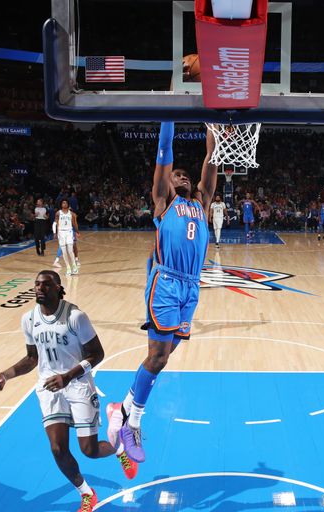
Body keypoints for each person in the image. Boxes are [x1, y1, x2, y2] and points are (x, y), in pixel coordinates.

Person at [0, 271, 136, 512]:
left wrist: (68, 376)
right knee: (57, 448)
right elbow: (32, 359)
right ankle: (87, 493)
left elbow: (97, 354)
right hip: (48, 388)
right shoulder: (28, 319)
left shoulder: (76, 317)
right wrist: (5, 374)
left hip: (78, 386)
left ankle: (120, 446)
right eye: (36, 284)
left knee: (89, 451)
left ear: (59, 289)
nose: (39, 288)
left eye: (46, 285)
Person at [109, 121, 216, 464]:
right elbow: (165, 154)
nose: (182, 176)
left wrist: (217, 126)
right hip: (167, 282)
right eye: (177, 175)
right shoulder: (162, 201)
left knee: (164, 357)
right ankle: (132, 423)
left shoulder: (202, 203)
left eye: (187, 175)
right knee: (156, 356)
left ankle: (121, 407)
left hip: (191, 286)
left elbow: (211, 157)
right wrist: (168, 115)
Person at [55, 200, 79, 276]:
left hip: (69, 232)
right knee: (64, 252)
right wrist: (55, 232)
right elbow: (55, 223)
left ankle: (74, 266)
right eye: (62, 203)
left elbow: (74, 224)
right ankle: (68, 268)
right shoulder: (58, 213)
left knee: (70, 250)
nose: (64, 204)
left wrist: (77, 232)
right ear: (61, 204)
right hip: (61, 233)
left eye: (65, 203)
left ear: (68, 204)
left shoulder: (72, 214)